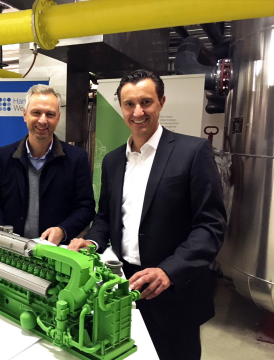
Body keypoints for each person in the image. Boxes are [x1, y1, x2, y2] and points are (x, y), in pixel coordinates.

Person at [68, 70, 226, 360]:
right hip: (120, 285)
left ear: (161, 102)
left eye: (146, 102)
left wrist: (169, 271)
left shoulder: (192, 152)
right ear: (121, 107)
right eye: (129, 104)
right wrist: (91, 243)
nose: (137, 111)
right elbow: (105, 218)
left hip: (174, 291)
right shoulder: (113, 161)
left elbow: (210, 226)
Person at [0, 84, 95, 245]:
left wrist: (62, 230)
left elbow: (86, 207)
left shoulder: (76, 158)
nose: (43, 120)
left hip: (55, 252)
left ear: (58, 118)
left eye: (50, 114)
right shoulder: (4, 156)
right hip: (11, 249)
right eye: (36, 112)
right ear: (25, 114)